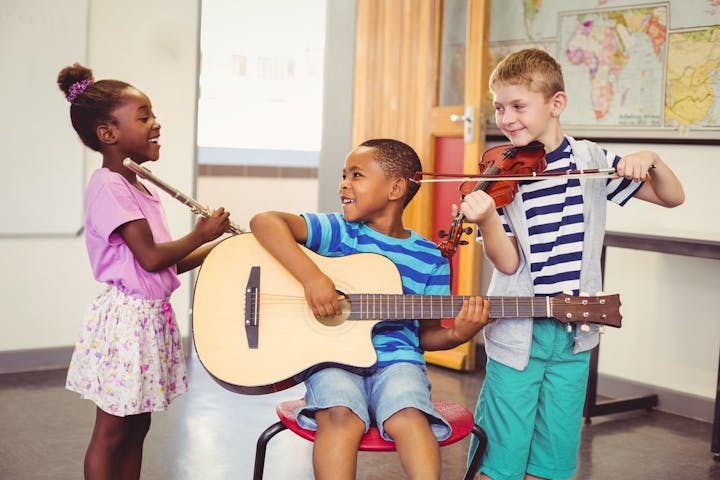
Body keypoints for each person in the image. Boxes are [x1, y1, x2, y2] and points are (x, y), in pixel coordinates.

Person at [459, 48, 685, 480]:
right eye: (499, 108)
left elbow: (672, 196)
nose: (506, 118)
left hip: (575, 332)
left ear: (555, 104)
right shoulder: (502, 177)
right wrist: (487, 218)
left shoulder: (591, 162)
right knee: (500, 454)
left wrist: (652, 159)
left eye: (518, 106)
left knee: (554, 457)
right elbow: (507, 264)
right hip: (518, 330)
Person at [250, 138, 491, 480]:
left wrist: (459, 333)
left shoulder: (430, 257)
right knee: (340, 414)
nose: (344, 184)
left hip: (397, 360)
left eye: (357, 175)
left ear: (395, 188)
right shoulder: (339, 232)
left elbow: (426, 335)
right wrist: (313, 278)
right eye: (344, 175)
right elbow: (265, 221)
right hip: (333, 358)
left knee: (409, 414)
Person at [58, 63, 231, 480]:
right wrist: (200, 231)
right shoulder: (108, 185)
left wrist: (219, 245)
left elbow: (166, 262)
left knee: (138, 425)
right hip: (127, 322)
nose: (156, 124)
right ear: (108, 134)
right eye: (144, 116)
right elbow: (151, 257)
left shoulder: (140, 184)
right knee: (112, 430)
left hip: (150, 318)